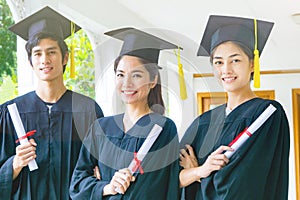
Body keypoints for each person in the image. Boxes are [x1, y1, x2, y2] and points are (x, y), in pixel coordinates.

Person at [179, 15, 290, 200]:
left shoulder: (267, 114)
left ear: (252, 64)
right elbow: (171, 181)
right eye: (219, 62)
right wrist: (201, 171)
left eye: (235, 60)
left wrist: (196, 175)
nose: (226, 70)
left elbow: (243, 185)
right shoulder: (203, 122)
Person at [0, 6, 104, 199]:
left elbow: (101, 169)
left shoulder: (88, 110)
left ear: (65, 58)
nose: (44, 60)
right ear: (30, 62)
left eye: (51, 52)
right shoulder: (10, 112)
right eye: (38, 54)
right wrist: (15, 164)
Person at [69, 27, 181, 200]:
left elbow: (153, 188)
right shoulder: (101, 128)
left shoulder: (162, 128)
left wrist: (99, 183)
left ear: (153, 80)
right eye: (120, 74)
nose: (126, 83)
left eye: (136, 75)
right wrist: (107, 187)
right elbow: (77, 184)